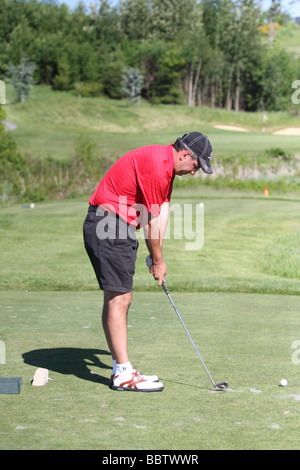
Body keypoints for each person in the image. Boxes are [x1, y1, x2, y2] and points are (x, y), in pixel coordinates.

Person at [83, 132, 213, 392]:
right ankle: (123, 373)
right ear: (185, 154)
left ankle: (122, 368)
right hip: (108, 225)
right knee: (120, 298)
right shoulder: (157, 166)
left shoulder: (167, 168)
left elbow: (162, 208)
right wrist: (157, 260)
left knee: (118, 297)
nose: (194, 172)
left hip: (116, 226)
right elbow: (151, 223)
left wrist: (159, 256)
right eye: (195, 166)